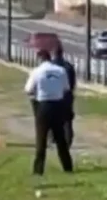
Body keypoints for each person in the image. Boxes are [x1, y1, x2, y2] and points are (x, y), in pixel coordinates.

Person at [23, 48, 74, 176]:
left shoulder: (37, 71)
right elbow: (66, 88)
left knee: (41, 138)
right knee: (61, 139)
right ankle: (67, 166)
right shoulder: (61, 71)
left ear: (40, 59)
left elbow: (28, 89)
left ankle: (38, 169)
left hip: (43, 105)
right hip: (58, 105)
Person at [52, 44, 76, 147]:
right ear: (62, 53)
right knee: (67, 119)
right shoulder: (68, 66)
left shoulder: (51, 66)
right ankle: (68, 139)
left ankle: (54, 137)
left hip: (53, 95)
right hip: (67, 95)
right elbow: (73, 83)